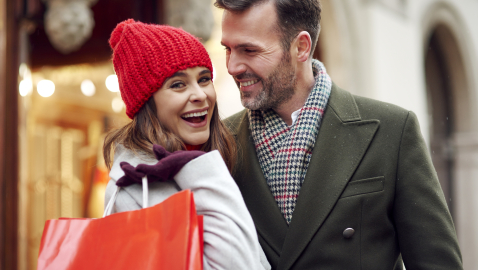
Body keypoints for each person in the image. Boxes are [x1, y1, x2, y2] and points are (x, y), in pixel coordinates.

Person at [216, 0, 464, 269]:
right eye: (228, 49)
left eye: (249, 50)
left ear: (301, 47)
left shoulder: (392, 131)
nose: (232, 66)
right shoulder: (219, 143)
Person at [103, 19, 270, 270]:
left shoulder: (214, 156)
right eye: (178, 84)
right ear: (147, 104)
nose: (200, 95)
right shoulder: (137, 189)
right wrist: (204, 171)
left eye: (204, 79)